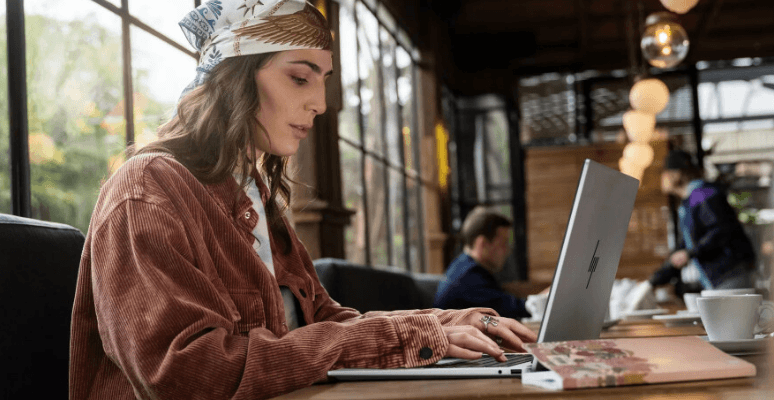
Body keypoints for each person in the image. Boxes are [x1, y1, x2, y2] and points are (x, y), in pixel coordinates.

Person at [68, 1, 536, 399]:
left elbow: (325, 322)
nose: (321, 102)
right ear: (236, 78)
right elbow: (185, 374)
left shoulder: (253, 195)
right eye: (299, 78)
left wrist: (446, 321)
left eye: (324, 78)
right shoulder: (146, 190)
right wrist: (410, 335)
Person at [650, 150, 756, 291]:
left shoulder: (702, 195)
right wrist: (655, 279)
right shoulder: (689, 202)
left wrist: (690, 253)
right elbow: (685, 245)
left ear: (676, 174)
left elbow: (721, 230)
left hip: (729, 273)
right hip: (720, 276)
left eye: (664, 173)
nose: (662, 178)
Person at [433, 207, 533, 319]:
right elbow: (514, 311)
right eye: (503, 243)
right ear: (482, 244)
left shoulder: (463, 266)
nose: (508, 251)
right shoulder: (469, 276)